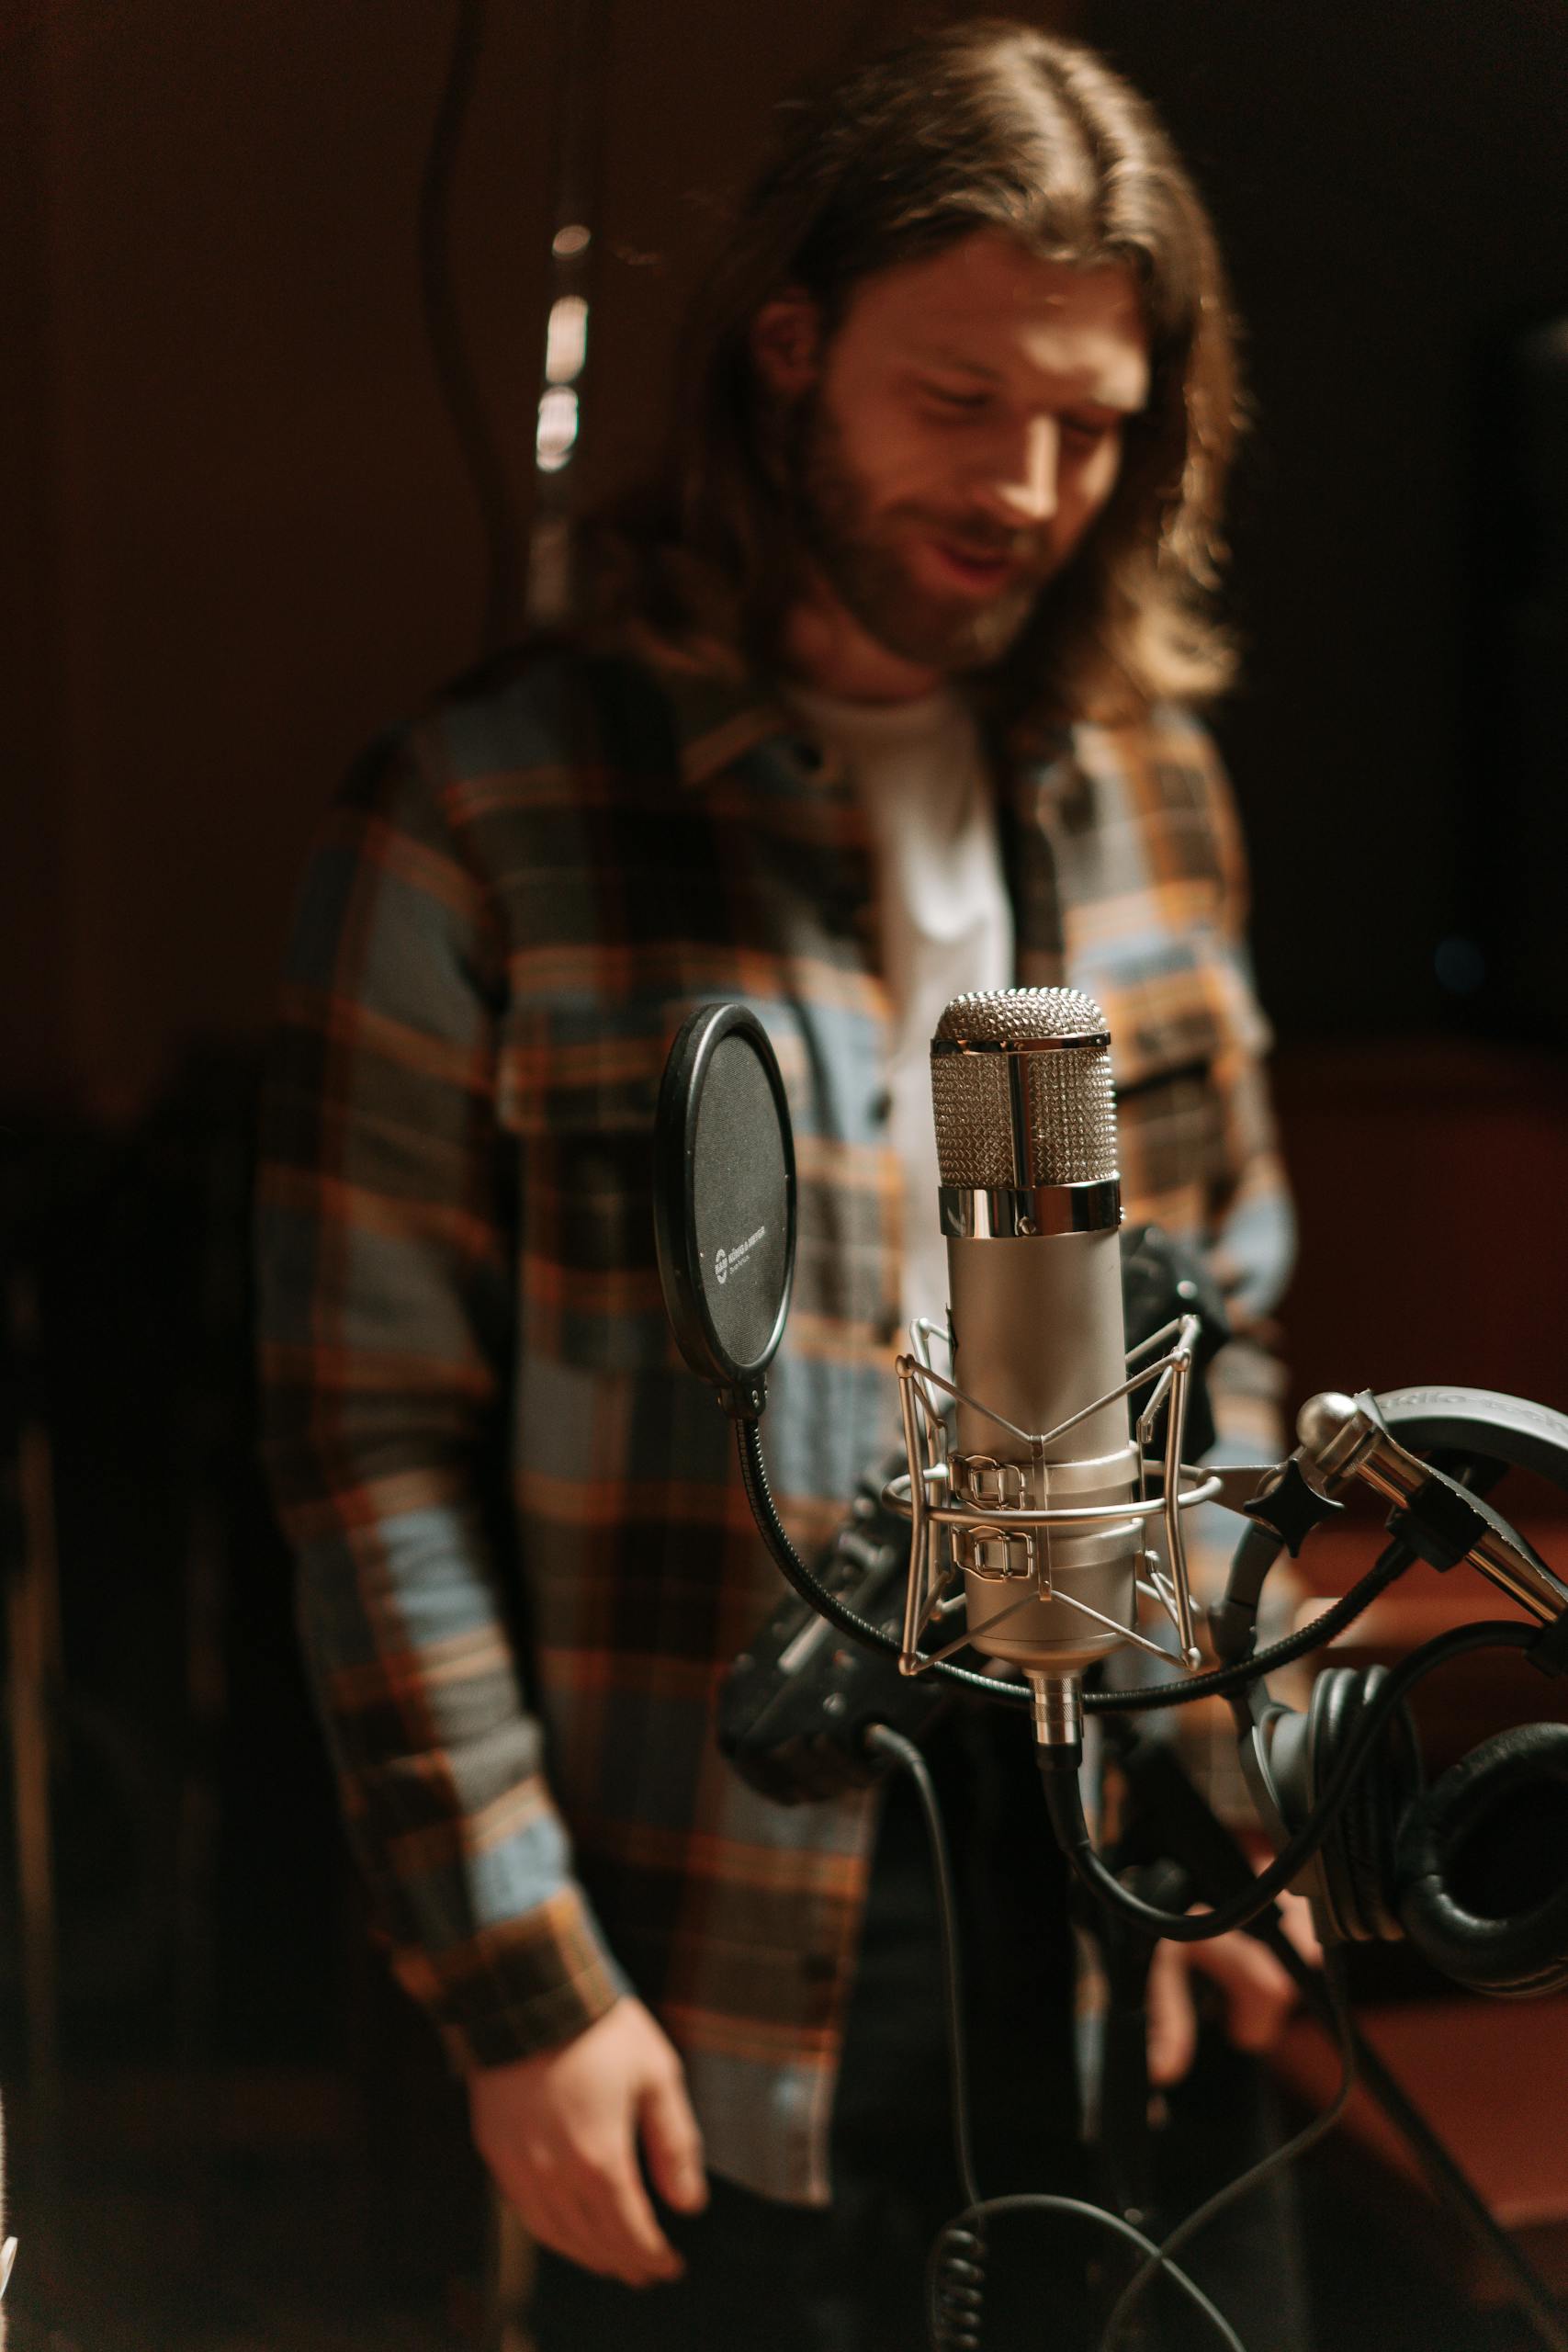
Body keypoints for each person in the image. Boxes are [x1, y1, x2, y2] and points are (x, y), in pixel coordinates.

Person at [257, 22, 1313, 2348]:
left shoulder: (1149, 790)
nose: (1027, 481)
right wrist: (518, 1987)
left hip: (1083, 1894)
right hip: (697, 1934)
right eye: (959, 399)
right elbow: (369, 1447)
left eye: (1089, 421)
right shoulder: (482, 820)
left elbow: (1210, 1322)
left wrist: (1211, 1798)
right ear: (787, 347)